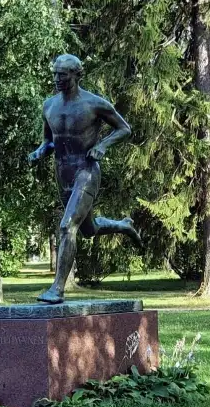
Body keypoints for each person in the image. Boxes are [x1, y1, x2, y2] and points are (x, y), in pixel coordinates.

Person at [27, 54, 141, 304]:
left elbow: (124, 128)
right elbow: (49, 141)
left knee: (67, 226)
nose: (57, 79)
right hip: (62, 173)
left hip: (86, 171)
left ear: (77, 75)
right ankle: (124, 225)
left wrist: (102, 145)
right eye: (55, 74)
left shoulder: (95, 104)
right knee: (88, 230)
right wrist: (39, 151)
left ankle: (57, 289)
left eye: (63, 74)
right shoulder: (49, 106)